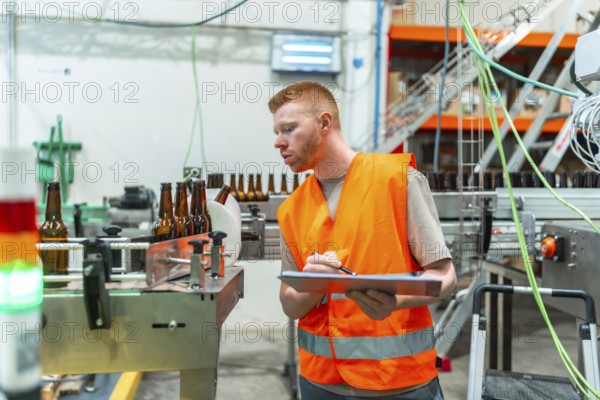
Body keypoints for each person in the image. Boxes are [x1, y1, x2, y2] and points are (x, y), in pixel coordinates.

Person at [269, 81, 456, 399]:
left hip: (397, 384)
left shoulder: (397, 180)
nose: (278, 142)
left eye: (288, 129)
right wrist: (311, 286)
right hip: (319, 383)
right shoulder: (292, 208)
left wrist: (398, 301)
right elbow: (289, 303)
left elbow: (445, 277)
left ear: (324, 123)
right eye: (276, 132)